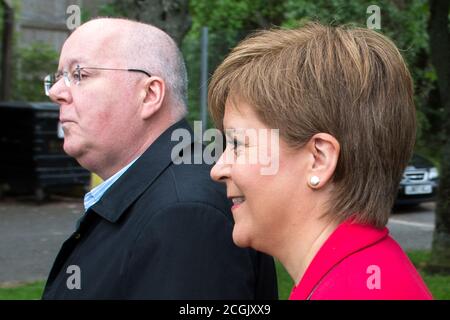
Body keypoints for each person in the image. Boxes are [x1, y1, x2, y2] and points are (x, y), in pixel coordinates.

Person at [42, 17, 277, 299]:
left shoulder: (185, 214)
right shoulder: (162, 195)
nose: (56, 93)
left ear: (150, 94)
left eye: (79, 74)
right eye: (57, 78)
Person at [209, 22, 433, 300]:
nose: (217, 170)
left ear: (319, 160)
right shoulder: (353, 275)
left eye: (238, 144)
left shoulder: (351, 289)